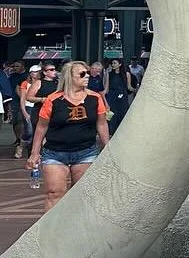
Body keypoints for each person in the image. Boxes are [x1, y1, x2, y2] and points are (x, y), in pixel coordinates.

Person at [26, 60, 109, 213]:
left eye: (88, 73)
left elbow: (102, 124)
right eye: (82, 74)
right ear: (70, 77)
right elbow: (41, 126)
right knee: (54, 193)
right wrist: (35, 152)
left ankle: (77, 229)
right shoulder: (53, 99)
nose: (87, 77)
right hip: (55, 153)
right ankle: (52, 230)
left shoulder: (95, 98)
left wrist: (107, 147)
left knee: (81, 194)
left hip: (86, 152)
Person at [17, 65, 42, 154]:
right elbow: (22, 99)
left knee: (38, 130)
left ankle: (35, 150)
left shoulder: (42, 82)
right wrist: (24, 111)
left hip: (39, 108)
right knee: (29, 131)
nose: (37, 73)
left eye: (39, 71)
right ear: (31, 73)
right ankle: (21, 145)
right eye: (35, 72)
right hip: (28, 107)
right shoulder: (25, 83)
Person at [104, 58, 131, 131]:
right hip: (112, 96)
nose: (113, 65)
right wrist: (102, 95)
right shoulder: (109, 74)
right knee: (112, 115)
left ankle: (122, 132)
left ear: (120, 64)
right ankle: (111, 132)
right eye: (112, 63)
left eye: (115, 63)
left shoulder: (127, 74)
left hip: (123, 96)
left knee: (123, 114)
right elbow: (106, 88)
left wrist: (136, 89)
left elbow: (129, 87)